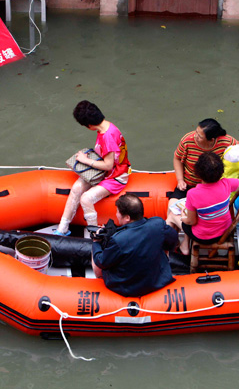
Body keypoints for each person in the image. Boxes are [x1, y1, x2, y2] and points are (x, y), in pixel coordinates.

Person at [55, 100, 130, 235]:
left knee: (86, 198)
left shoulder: (107, 137)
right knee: (77, 188)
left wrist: (86, 160)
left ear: (89, 125)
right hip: (103, 172)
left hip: (116, 176)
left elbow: (108, 165)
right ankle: (62, 228)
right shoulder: (107, 127)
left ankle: (95, 234)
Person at [166, 119, 239, 228]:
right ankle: (181, 237)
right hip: (188, 184)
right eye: (196, 132)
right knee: (172, 204)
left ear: (211, 139)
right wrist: (180, 180)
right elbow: (177, 158)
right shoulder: (187, 140)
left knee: (184, 216)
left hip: (211, 185)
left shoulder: (225, 141)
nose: (195, 136)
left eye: (200, 136)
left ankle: (183, 236)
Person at [91, 194, 179, 297]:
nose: (116, 214)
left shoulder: (118, 240)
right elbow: (173, 241)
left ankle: (99, 280)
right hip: (158, 280)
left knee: (96, 254)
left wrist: (96, 242)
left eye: (118, 212)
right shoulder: (158, 224)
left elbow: (101, 262)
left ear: (127, 217)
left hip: (128, 288)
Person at [176, 150, 239, 255]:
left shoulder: (193, 194)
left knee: (176, 217)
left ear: (197, 173)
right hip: (225, 230)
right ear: (221, 171)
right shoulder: (227, 184)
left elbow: (191, 221)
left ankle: (184, 246)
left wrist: (183, 216)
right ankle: (186, 245)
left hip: (204, 237)